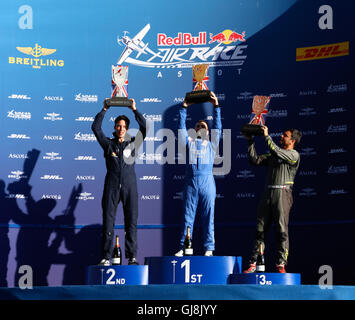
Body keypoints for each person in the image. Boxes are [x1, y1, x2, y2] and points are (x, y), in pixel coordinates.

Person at [91, 99, 146, 265]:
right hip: (112, 186)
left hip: (130, 186)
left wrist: (134, 110)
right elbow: (96, 128)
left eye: (123, 126)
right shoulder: (108, 145)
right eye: (118, 126)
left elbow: (144, 128)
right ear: (115, 128)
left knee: (131, 221)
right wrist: (104, 109)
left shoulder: (133, 144)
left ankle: (132, 257)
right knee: (108, 221)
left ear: (127, 129)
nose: (121, 129)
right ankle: (106, 257)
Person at [243, 126, 301, 273]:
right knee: (260, 230)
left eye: (285, 135)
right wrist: (250, 141)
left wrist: (267, 137)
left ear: (292, 140)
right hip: (267, 193)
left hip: (282, 194)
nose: (281, 136)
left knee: (282, 230)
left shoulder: (294, 155)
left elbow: (277, 151)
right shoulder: (273, 155)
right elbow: (255, 160)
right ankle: (253, 263)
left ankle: (281, 264)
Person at [175, 91, 221, 257]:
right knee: (188, 217)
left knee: (208, 216)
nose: (200, 128)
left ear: (208, 132)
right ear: (194, 131)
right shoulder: (188, 143)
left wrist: (216, 106)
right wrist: (184, 107)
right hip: (191, 183)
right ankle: (184, 246)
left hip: (207, 182)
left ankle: (209, 248)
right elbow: (180, 128)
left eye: (204, 127)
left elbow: (218, 126)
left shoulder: (212, 144)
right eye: (198, 127)